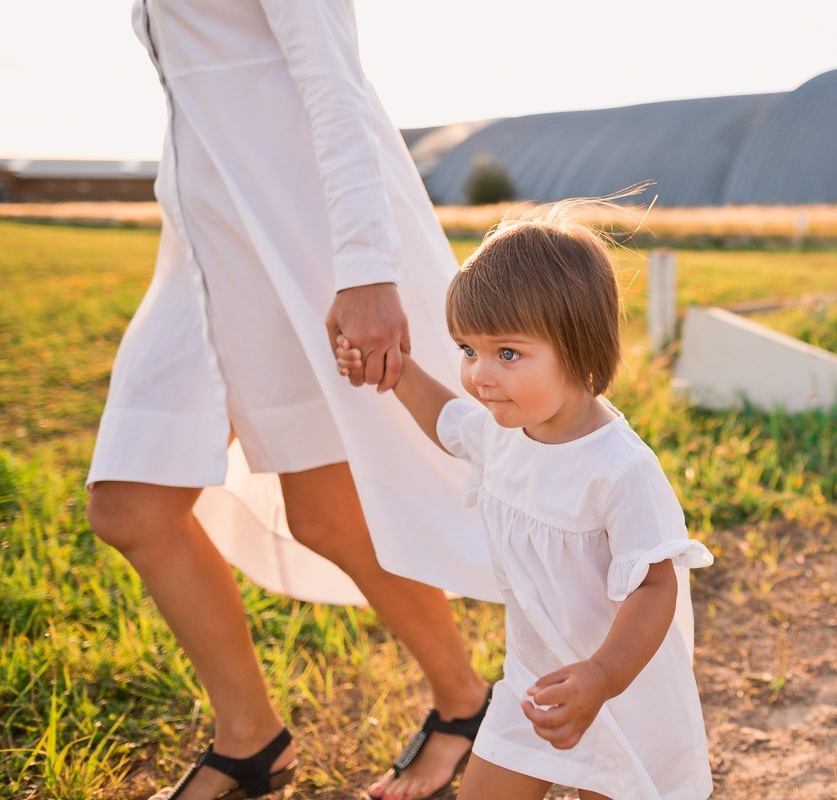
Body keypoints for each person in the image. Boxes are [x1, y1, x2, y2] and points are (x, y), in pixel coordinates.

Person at [85, 2, 500, 799]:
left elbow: (333, 85)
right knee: (129, 506)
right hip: (201, 260)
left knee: (325, 515)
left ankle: (465, 704)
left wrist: (366, 270)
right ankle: (252, 736)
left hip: (299, 256)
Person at [336, 203, 715, 800]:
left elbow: (655, 587)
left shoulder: (620, 470)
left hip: (618, 688)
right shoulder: (502, 432)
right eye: (468, 350)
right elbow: (446, 419)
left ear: (581, 348)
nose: (480, 375)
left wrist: (602, 676)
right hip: (533, 684)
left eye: (506, 354)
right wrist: (395, 368)